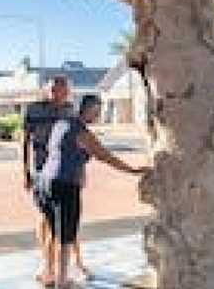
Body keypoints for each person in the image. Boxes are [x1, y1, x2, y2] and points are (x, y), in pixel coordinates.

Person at [39, 93, 147, 288]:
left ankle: (49, 274)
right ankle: (62, 282)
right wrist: (133, 170)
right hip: (64, 185)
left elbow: (59, 151)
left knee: (54, 231)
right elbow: (105, 156)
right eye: (97, 110)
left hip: (45, 183)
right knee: (66, 235)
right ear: (87, 109)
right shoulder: (82, 133)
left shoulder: (62, 123)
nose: (98, 115)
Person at [22, 75, 75, 285]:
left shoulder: (69, 110)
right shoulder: (34, 109)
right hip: (39, 171)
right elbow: (25, 141)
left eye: (62, 89)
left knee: (55, 221)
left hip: (62, 173)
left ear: (67, 92)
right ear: (47, 91)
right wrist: (24, 171)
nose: (58, 94)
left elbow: (73, 140)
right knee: (45, 218)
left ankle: (49, 267)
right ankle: (46, 263)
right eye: (54, 89)